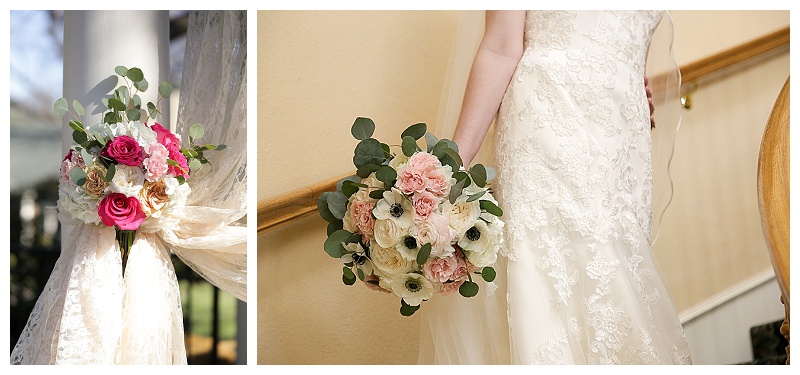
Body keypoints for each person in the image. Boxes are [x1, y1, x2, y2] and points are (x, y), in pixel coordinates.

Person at [420, 10, 692, 365]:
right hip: (550, 121)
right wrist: (450, 166)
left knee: (617, 275)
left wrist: (627, 79)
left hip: (621, 138)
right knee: (561, 275)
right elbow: (501, 48)